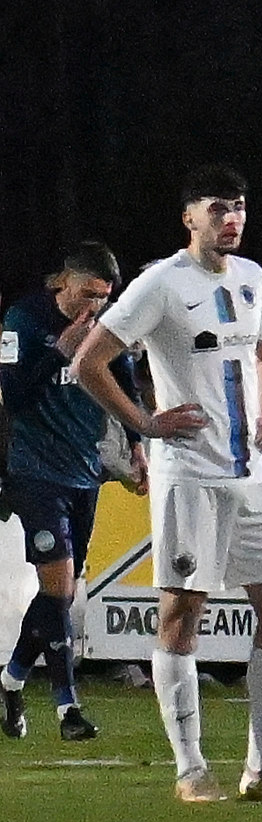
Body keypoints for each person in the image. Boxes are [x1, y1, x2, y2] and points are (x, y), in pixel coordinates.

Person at [73, 164, 262, 804]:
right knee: (183, 612)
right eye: (218, 207)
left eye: (239, 206)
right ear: (189, 217)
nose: (232, 218)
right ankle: (191, 770)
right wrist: (144, 422)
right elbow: (89, 362)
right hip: (189, 477)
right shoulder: (161, 284)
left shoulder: (253, 279)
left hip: (252, 476)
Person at [0, 241, 145, 741]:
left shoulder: (100, 327)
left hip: (84, 472)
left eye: (103, 298)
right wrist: (58, 353)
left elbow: (122, 374)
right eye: (87, 295)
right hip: (34, 472)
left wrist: (135, 442)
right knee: (60, 589)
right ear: (64, 281)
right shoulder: (23, 320)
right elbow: (14, 397)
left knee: (58, 595)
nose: (93, 308)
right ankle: (68, 710)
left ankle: (12, 677)